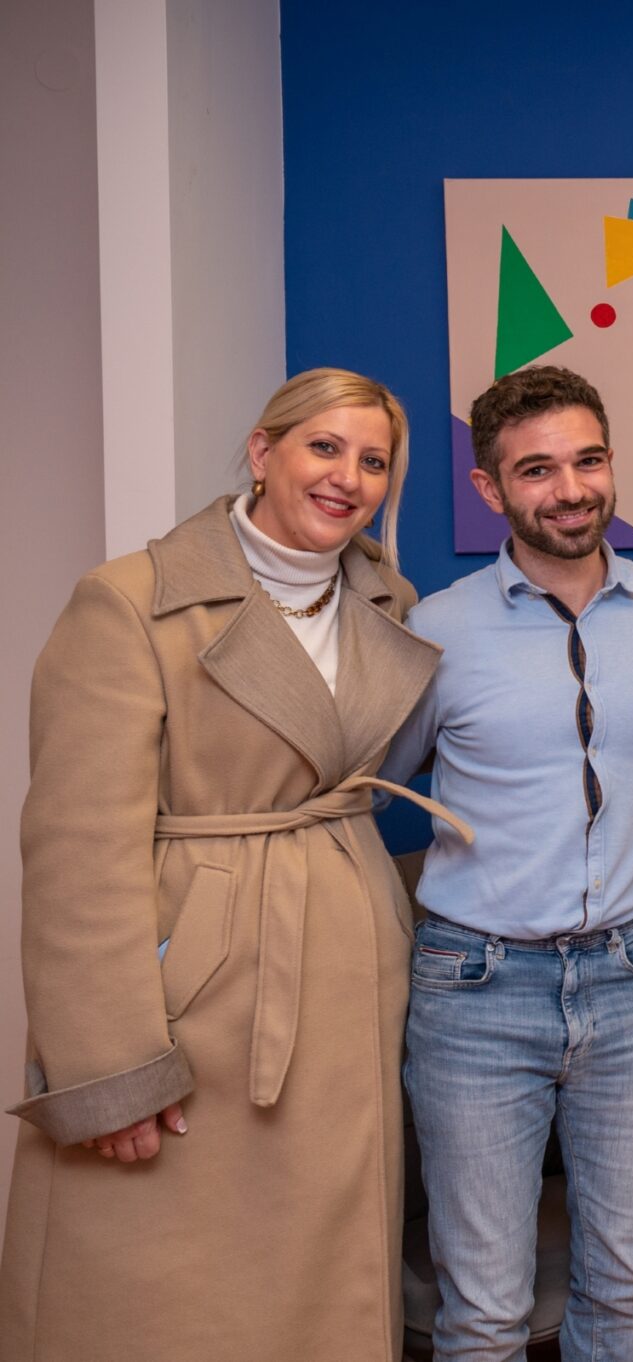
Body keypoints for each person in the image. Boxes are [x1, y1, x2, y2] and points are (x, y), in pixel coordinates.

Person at [1, 368, 468, 1361]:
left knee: (321, 1276)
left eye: (372, 461)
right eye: (323, 447)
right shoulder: (130, 602)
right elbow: (77, 853)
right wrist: (110, 1071)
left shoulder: (386, 598)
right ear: (263, 452)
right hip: (198, 994)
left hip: (347, 980)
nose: (346, 477)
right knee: (163, 1286)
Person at [380, 365, 633, 1361]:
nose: (570, 490)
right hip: (475, 989)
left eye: (587, 461)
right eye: (537, 470)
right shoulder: (435, 630)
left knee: (624, 1285)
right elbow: (378, 783)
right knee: (483, 1311)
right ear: (489, 488)